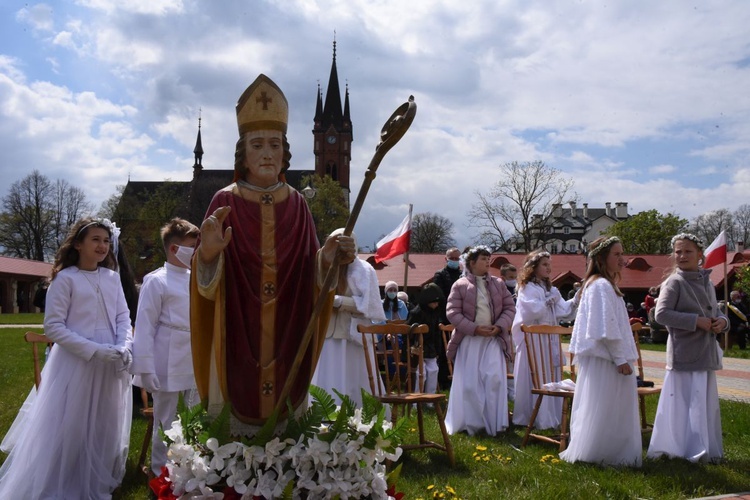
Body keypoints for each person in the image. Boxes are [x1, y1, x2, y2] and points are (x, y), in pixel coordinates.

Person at [190, 74, 355, 432]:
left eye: (275, 145)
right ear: (243, 153)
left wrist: (327, 257)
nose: (267, 153)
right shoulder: (224, 201)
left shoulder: (297, 204)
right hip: (237, 328)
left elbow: (310, 271)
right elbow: (203, 283)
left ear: (285, 153)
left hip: (286, 330)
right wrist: (208, 256)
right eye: (257, 145)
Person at [0, 217, 134, 498]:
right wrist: (93, 350)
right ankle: (64, 477)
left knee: (104, 420)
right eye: (95, 240)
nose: (102, 246)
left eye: (106, 241)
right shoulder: (65, 278)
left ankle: (95, 476)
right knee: (71, 423)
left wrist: (124, 345)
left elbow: (123, 316)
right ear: (78, 244)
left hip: (111, 361)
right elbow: (53, 326)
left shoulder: (111, 277)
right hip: (77, 362)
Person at [560, 236, 641, 467]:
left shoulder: (602, 284)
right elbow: (606, 326)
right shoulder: (600, 286)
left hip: (607, 357)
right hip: (606, 358)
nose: (622, 259)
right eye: (616, 254)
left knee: (608, 406)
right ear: (601, 258)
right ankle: (602, 452)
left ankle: (607, 452)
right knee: (605, 407)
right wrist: (619, 358)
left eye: (621, 253)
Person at [646, 233, 728, 463]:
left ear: (700, 255)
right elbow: (660, 314)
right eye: (678, 251)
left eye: (687, 251)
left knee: (703, 403)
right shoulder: (675, 281)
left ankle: (703, 446)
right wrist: (695, 321)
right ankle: (679, 447)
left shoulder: (707, 281)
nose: (682, 256)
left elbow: (716, 311)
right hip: (684, 354)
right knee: (683, 403)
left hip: (706, 353)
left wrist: (722, 322)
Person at [132, 217, 201, 477]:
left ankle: (190, 468)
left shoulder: (196, 278)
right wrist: (146, 369)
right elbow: (145, 326)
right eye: (192, 247)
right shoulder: (156, 280)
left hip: (192, 355)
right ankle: (162, 472)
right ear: (174, 249)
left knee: (193, 414)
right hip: (167, 357)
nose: (196, 253)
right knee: (167, 418)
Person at [445, 245, 515, 436]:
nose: (487, 261)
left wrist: (499, 326)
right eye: (483, 258)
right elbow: (452, 313)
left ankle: (494, 422)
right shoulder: (459, 285)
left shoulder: (498, 284)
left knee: (494, 379)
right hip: (470, 340)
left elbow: (510, 308)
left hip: (493, 339)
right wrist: (474, 328)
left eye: (488, 258)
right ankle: (472, 424)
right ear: (472, 262)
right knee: (470, 384)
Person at [311, 230, 386, 407]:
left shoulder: (365, 270)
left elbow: (371, 306)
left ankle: (357, 420)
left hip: (351, 335)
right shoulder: (324, 266)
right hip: (326, 333)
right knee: (326, 376)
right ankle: (321, 418)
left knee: (353, 378)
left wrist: (340, 302)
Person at [511, 249, 577, 428]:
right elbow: (529, 312)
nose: (549, 268)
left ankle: (551, 415)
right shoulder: (527, 288)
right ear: (533, 267)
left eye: (550, 265)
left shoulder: (551, 288)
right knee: (535, 375)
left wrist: (576, 298)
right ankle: (532, 415)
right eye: (544, 265)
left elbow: (564, 311)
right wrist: (548, 301)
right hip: (534, 341)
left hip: (549, 340)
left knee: (550, 374)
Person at [406, 283, 446, 394]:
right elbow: (409, 332)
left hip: (430, 348)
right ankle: (415, 398)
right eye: (434, 302)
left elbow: (436, 334)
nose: (436, 304)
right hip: (416, 349)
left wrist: (437, 350)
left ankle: (430, 398)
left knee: (434, 370)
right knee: (420, 372)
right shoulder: (416, 313)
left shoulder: (435, 313)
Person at [431, 246, 461, 388]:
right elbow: (439, 296)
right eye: (452, 258)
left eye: (457, 258)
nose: (454, 261)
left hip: (461, 317)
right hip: (445, 316)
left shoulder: (463, 275)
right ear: (446, 258)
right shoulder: (440, 275)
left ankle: (458, 376)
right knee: (445, 350)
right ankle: (444, 380)